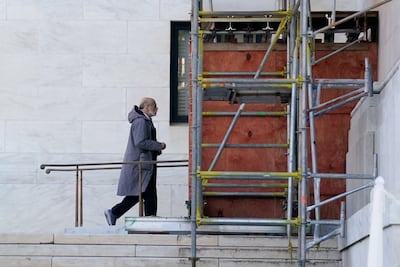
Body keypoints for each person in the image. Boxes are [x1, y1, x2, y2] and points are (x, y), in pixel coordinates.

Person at [104, 97, 166, 225]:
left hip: (145, 163)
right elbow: (140, 142)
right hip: (142, 164)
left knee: (145, 192)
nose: (156, 109)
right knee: (146, 192)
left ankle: (115, 213)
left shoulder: (144, 120)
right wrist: (159, 145)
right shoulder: (141, 122)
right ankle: (149, 220)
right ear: (147, 107)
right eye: (154, 106)